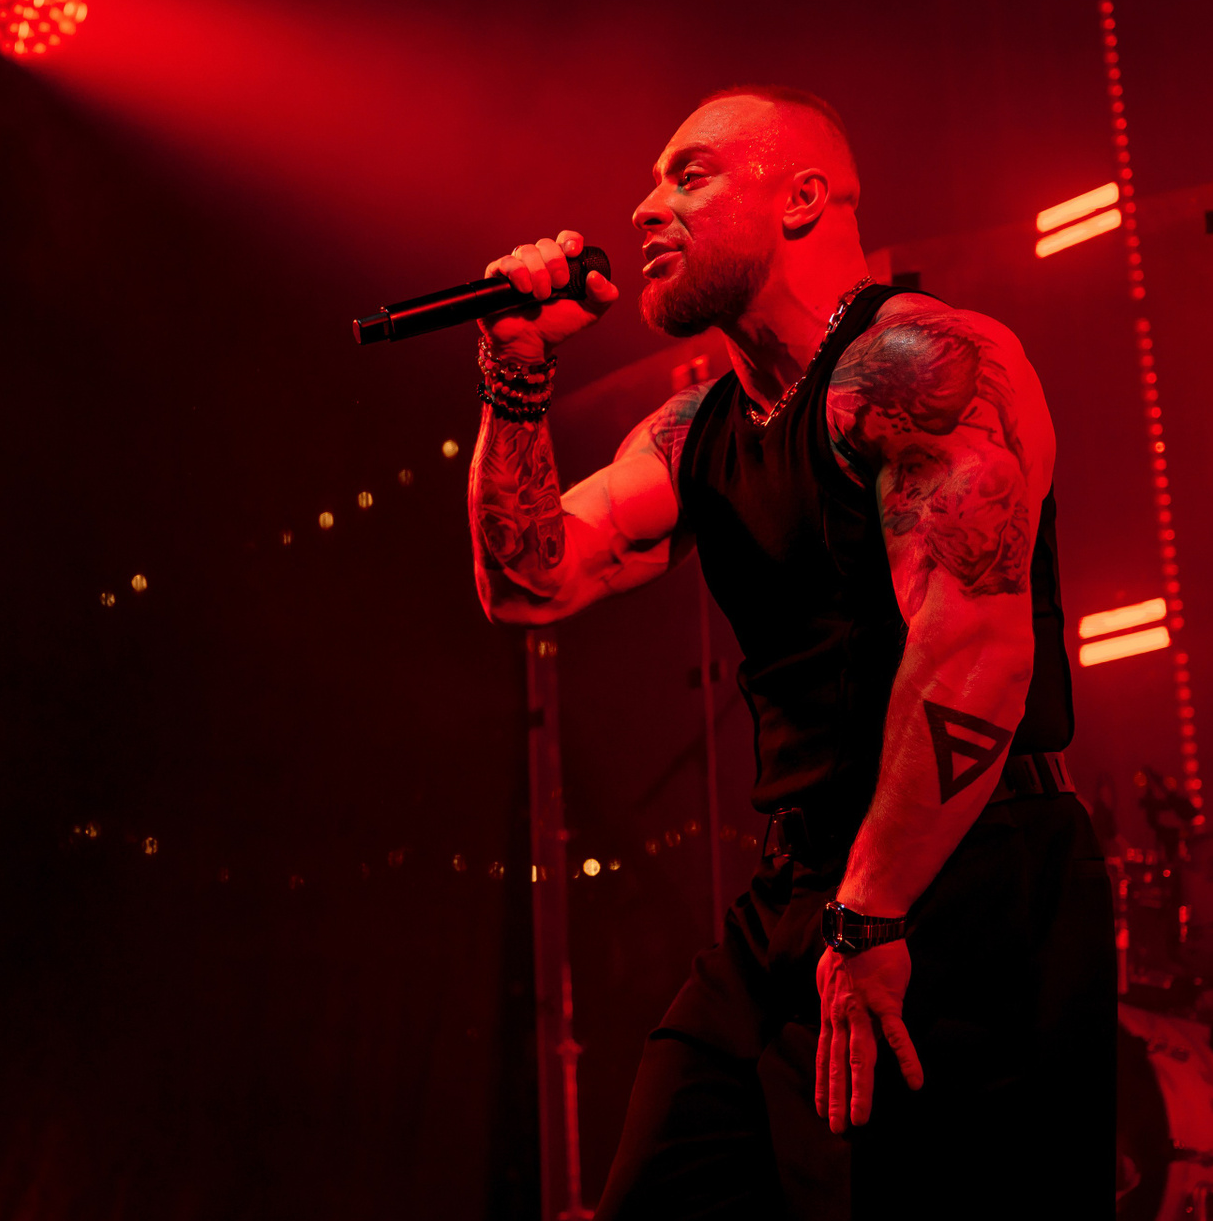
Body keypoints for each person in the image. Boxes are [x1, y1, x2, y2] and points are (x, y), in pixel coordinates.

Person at [467, 86, 1114, 1218]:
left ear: (804, 198)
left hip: (969, 871)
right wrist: (515, 376)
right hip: (803, 889)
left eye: (691, 175)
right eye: (654, 183)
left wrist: (874, 914)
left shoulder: (923, 365)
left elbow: (975, 653)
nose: (647, 208)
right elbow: (530, 580)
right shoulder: (699, 429)